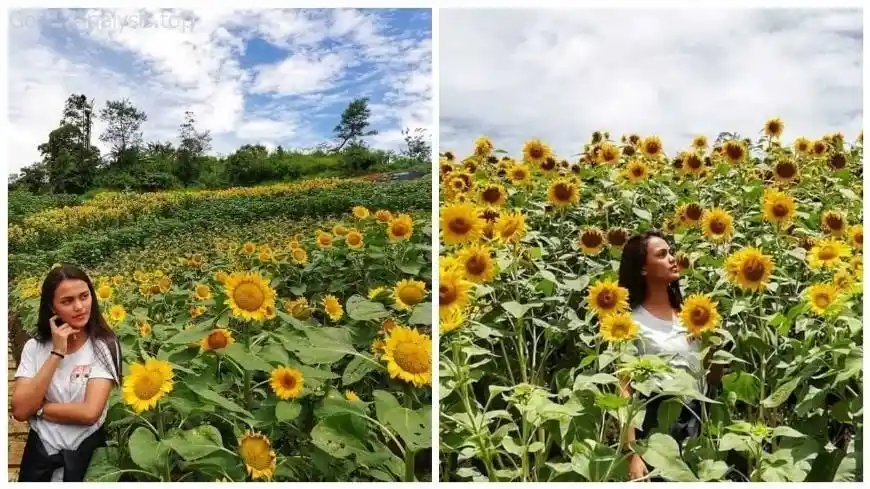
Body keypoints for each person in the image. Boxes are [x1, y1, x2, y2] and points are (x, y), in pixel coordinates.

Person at [617, 230, 721, 481]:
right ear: (643, 269)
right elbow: (624, 388)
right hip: (658, 425)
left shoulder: (691, 314)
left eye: (670, 252)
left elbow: (712, 377)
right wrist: (632, 452)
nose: (672, 258)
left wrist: (715, 346)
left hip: (700, 419)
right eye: (662, 255)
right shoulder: (632, 321)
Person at [11, 264, 122, 482]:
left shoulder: (104, 346)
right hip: (41, 453)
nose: (79, 307)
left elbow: (90, 413)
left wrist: (40, 408)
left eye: (84, 296)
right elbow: (21, 410)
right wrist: (57, 353)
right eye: (67, 301)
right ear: (52, 308)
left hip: (86, 455)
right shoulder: (34, 348)